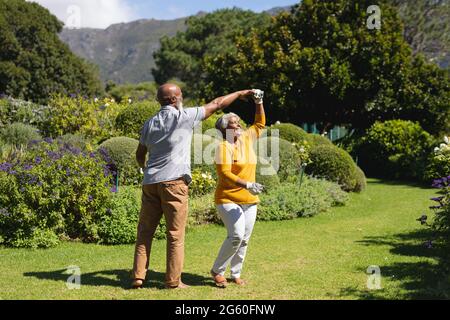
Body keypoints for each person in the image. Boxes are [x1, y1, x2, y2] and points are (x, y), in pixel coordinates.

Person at [131, 83, 254, 289]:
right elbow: (217, 104)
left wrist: (146, 169)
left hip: (150, 183)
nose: (182, 98)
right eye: (181, 95)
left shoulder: (149, 123)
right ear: (174, 99)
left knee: (144, 232)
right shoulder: (184, 116)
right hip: (174, 182)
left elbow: (139, 154)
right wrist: (240, 92)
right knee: (175, 235)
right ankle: (173, 281)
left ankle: (137, 277)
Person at [210, 89, 265, 287]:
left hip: (249, 200)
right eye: (233, 123)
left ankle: (235, 273)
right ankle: (217, 271)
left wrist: (258, 102)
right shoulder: (222, 147)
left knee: (244, 240)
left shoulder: (246, 139)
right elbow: (225, 174)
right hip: (228, 198)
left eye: (238, 121)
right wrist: (248, 184)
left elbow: (259, 123)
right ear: (225, 130)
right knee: (236, 235)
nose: (239, 124)